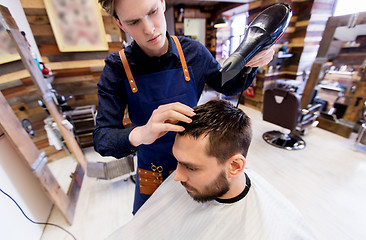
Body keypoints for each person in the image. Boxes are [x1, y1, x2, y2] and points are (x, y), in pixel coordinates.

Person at [93, 0, 275, 214]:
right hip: (153, 170)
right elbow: (102, 139)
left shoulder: (193, 52)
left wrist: (252, 61)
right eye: (134, 22)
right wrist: (142, 133)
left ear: (161, 3)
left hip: (199, 166)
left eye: (152, 12)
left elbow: (230, 85)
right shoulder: (117, 68)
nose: (149, 29)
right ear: (120, 24)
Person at [106, 100, 317, 240]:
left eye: (190, 167)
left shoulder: (262, 228)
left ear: (235, 166)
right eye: (178, 161)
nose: (177, 176)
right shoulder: (189, 184)